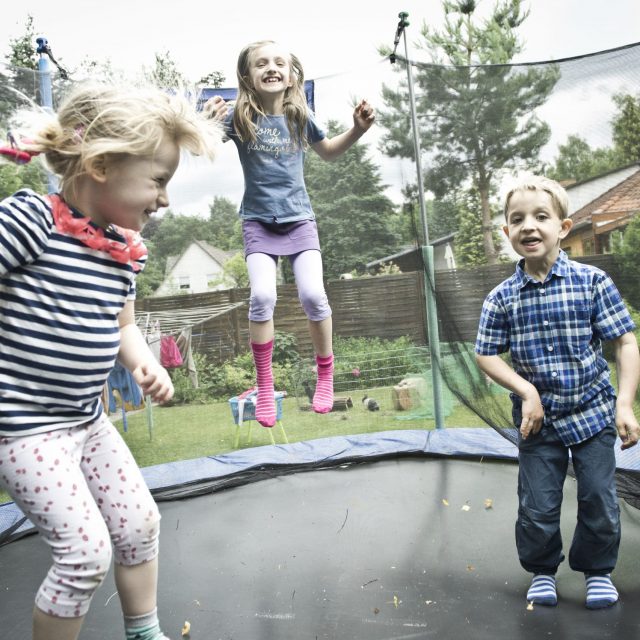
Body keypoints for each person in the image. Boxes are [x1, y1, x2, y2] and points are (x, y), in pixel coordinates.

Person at [0, 84, 221, 640]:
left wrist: (147, 361)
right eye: (158, 180)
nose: (165, 199)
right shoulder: (33, 222)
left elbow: (121, 324)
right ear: (100, 166)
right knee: (83, 554)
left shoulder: (121, 249)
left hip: (86, 419)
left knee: (139, 524)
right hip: (25, 429)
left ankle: (144, 633)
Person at [475, 174, 640, 609]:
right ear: (507, 232)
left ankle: (598, 571)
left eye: (541, 216)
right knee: (537, 505)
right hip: (538, 422)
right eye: (517, 219)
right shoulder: (502, 298)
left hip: (592, 412)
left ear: (563, 228)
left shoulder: (592, 282)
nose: (529, 226)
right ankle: (543, 571)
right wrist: (524, 388)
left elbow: (624, 341)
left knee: (599, 498)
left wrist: (624, 403)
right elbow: (486, 354)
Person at [206, 40, 375, 427]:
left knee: (314, 295)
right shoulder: (239, 117)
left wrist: (357, 130)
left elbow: (329, 152)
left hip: (300, 220)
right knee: (262, 296)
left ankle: (326, 376)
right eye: (261, 63)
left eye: (279, 63)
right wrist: (206, 121)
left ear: (291, 75)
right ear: (247, 76)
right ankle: (265, 386)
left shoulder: (300, 116)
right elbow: (205, 146)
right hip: (258, 223)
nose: (271, 68)